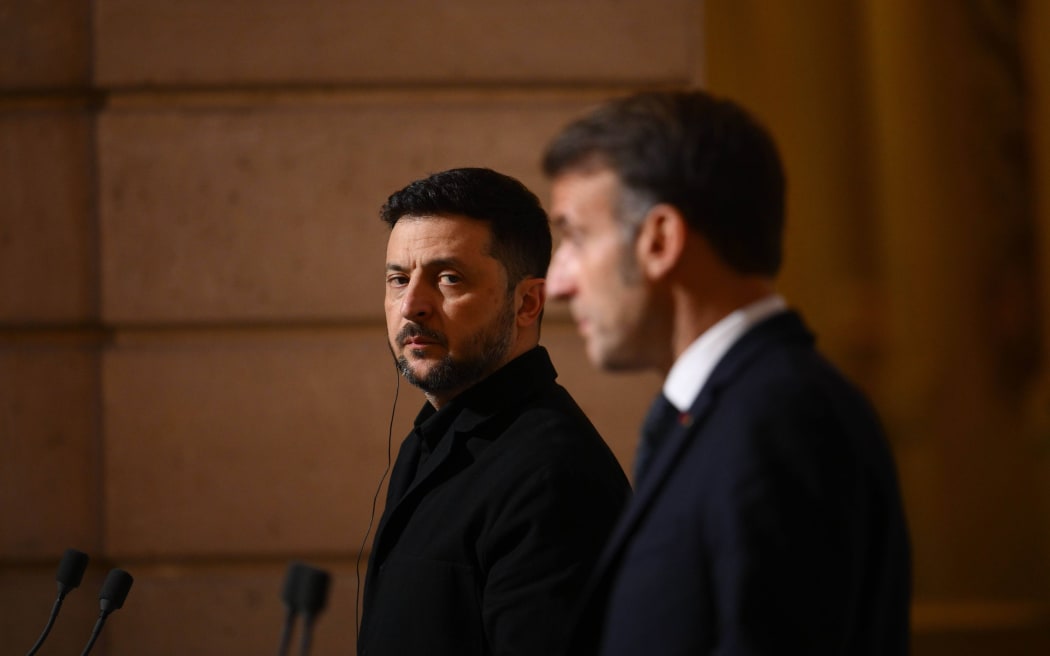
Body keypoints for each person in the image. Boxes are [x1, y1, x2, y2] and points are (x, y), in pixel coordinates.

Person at [542, 91, 911, 655]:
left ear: (660, 241)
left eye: (576, 237)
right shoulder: (730, 411)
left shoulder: (781, 421)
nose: (559, 283)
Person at [357, 167, 631, 656]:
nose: (411, 306)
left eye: (448, 278)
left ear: (527, 302)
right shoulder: (432, 441)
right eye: (398, 279)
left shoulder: (552, 476)